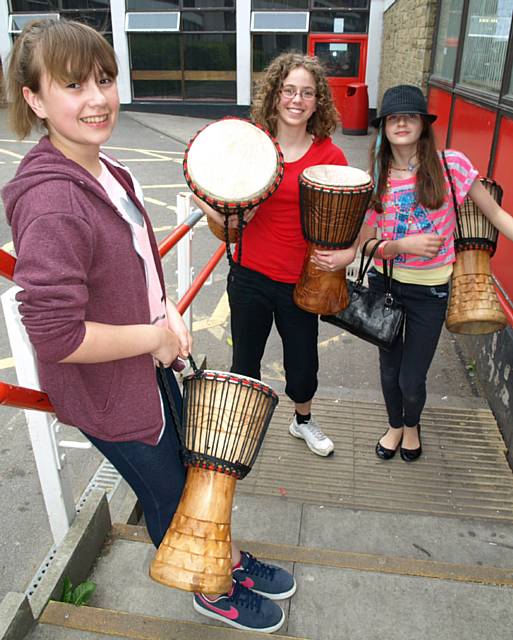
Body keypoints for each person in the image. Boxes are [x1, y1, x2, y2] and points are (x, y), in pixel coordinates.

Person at [3, 19, 295, 634]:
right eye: (73, 85)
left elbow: (136, 267)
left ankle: (228, 560)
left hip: (145, 368)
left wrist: (164, 313)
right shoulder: (52, 200)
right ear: (34, 99)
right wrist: (155, 337)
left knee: (193, 477)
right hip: (110, 394)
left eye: (104, 80)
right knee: (170, 495)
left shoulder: (109, 171)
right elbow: (55, 335)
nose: (98, 98)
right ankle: (209, 587)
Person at [194, 52, 357, 457]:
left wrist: (348, 253)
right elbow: (207, 188)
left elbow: (355, 214)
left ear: (318, 101)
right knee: (244, 359)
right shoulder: (251, 143)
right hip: (249, 274)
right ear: (275, 95)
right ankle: (242, 428)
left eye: (307, 92)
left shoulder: (330, 155)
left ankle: (302, 421)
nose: (296, 100)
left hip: (302, 281)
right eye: (289, 91)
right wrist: (219, 212)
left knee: (302, 366)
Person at [359, 84, 513, 462]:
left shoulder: (452, 166)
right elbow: (366, 244)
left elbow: (494, 215)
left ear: (423, 124)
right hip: (386, 285)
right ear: (384, 127)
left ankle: (412, 424)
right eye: (393, 117)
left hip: (431, 291)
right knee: (389, 370)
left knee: (412, 378)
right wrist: (400, 247)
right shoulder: (375, 178)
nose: (401, 123)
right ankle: (396, 426)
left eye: (410, 116)